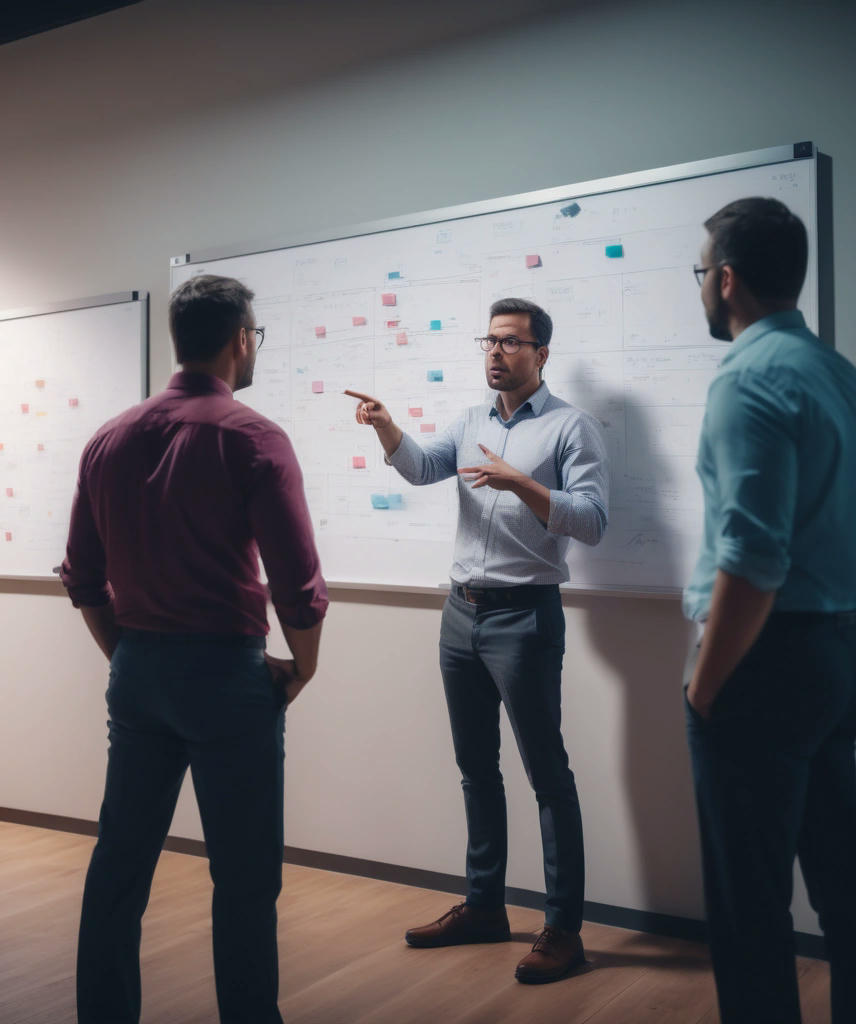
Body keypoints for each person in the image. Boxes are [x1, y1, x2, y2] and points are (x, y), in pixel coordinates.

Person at [62, 274, 327, 1024]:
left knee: (120, 865)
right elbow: (297, 582)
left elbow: (82, 576)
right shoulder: (253, 437)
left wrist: (125, 653)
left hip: (137, 671)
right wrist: (301, 667)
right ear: (241, 338)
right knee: (244, 878)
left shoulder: (109, 437)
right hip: (226, 675)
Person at [347, 297, 609, 984]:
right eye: (489, 341)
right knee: (475, 768)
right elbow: (423, 468)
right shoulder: (467, 422)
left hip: (524, 617)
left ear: (541, 353)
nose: (496, 353)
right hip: (461, 615)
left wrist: (521, 481)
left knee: (548, 777)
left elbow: (592, 520)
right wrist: (387, 428)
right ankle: (485, 906)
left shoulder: (570, 428)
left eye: (512, 343)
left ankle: (563, 929)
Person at [683, 197, 856, 1023]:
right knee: (842, 883)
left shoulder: (748, 380)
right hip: (835, 655)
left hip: (763, 664)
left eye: (699, 273)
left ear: (725, 280)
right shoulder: (835, 371)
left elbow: (753, 562)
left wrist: (706, 687)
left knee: (749, 905)